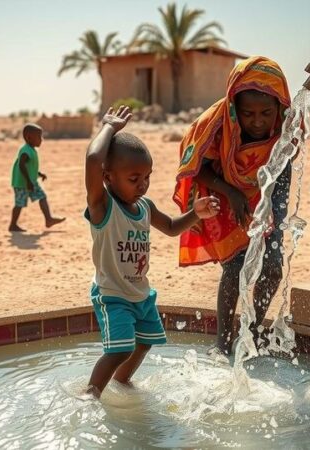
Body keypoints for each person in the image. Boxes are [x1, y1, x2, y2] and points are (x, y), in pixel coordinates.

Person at [85, 106, 219, 398]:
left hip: (141, 294)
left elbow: (171, 227)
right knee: (120, 348)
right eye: (134, 179)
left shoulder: (145, 207)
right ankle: (90, 395)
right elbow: (94, 160)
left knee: (143, 343)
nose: (142, 185)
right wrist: (108, 127)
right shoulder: (103, 207)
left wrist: (195, 213)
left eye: (146, 177)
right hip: (113, 294)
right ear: (108, 178)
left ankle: (121, 384)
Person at [173, 56, 293, 355]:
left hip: (265, 195)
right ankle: (224, 342)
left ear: (279, 107)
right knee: (236, 266)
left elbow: (283, 175)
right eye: (248, 113)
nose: (257, 121)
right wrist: (231, 193)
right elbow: (196, 167)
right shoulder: (216, 124)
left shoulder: (286, 129)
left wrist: (273, 217)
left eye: (266, 113)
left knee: (274, 268)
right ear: (234, 108)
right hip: (222, 193)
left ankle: (251, 333)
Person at [8, 123, 65, 232]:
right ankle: (13, 225)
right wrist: (28, 181)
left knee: (42, 196)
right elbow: (21, 165)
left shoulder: (32, 150)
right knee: (19, 203)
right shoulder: (25, 151)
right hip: (22, 183)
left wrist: (39, 174)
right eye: (39, 137)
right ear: (29, 138)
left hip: (31, 181)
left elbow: (30, 167)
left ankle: (48, 219)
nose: (41, 140)